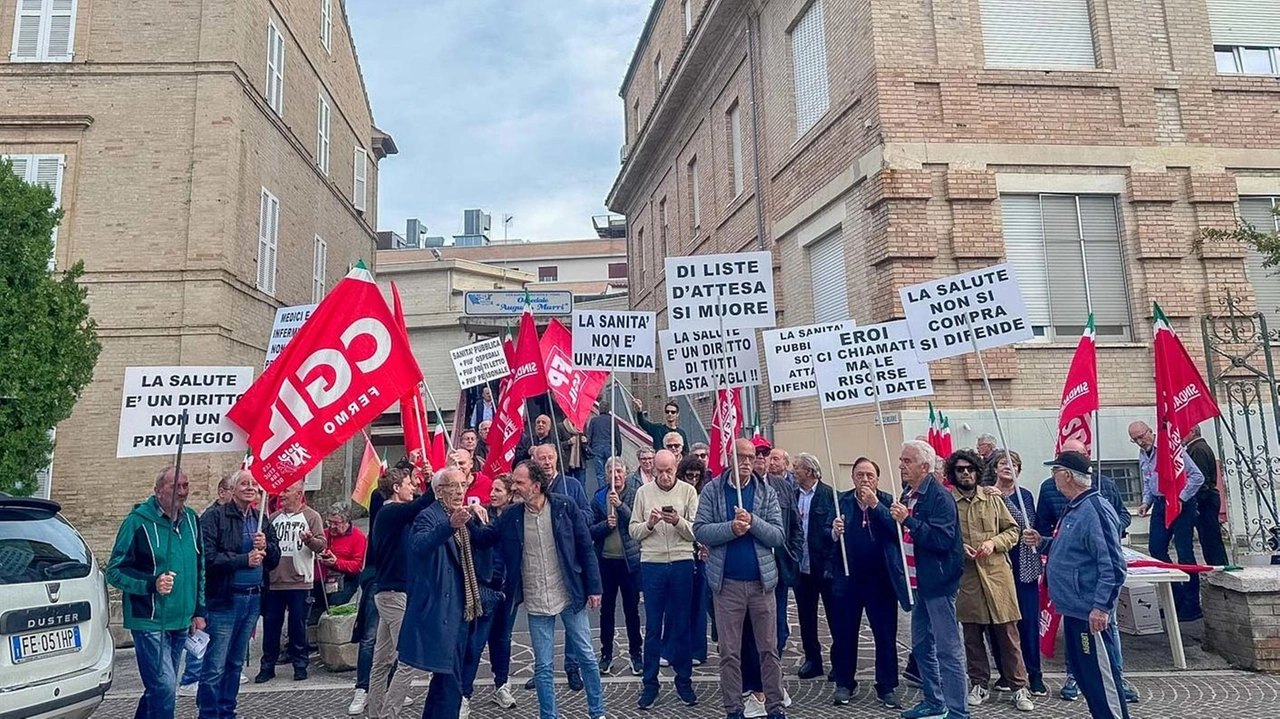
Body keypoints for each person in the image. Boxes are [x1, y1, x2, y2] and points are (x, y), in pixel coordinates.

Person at [473, 460, 607, 719]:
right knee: (543, 666)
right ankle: (549, 716)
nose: (514, 487)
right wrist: (465, 519)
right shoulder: (512, 515)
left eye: (519, 482)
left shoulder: (564, 507)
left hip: (569, 594)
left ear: (536, 486)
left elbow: (585, 548)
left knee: (587, 657)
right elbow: (485, 538)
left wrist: (594, 587)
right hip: (535, 598)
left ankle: (597, 712)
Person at [1022, 451, 1130, 719]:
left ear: (1067, 475)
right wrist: (1043, 542)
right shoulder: (1075, 508)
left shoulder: (1094, 509)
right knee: (1086, 677)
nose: (1053, 478)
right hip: (1072, 610)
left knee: (1101, 679)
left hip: (1088, 613)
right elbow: (1073, 549)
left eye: (1055, 471)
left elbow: (1113, 565)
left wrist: (1102, 607)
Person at [694, 438, 788, 719]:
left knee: (768, 649)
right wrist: (731, 529)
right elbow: (700, 530)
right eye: (741, 457)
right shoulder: (713, 490)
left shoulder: (765, 492)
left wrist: (753, 522)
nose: (746, 462)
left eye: (751, 457)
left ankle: (774, 705)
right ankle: (733, 707)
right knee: (729, 652)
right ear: (729, 458)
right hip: (727, 585)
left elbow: (777, 535)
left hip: (762, 584)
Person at [106, 465, 206, 719]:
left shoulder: (192, 520)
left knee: (158, 688)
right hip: (150, 620)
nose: (182, 491)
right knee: (164, 687)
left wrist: (198, 610)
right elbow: (115, 571)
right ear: (158, 490)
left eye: (185, 485)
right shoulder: (137, 523)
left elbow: (199, 567)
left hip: (181, 620)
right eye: (175, 486)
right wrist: (151, 583)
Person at [946, 449, 1033, 712]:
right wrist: (959, 547)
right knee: (972, 637)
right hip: (968, 578)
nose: (965, 473)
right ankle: (979, 683)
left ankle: (1020, 687)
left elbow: (1013, 530)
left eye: (969, 468)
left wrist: (993, 543)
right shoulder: (948, 502)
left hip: (997, 576)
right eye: (960, 469)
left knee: (1008, 635)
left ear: (977, 471)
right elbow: (944, 535)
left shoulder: (992, 498)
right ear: (954, 473)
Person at [399, 467, 487, 719]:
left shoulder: (461, 516)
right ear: (439, 491)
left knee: (447, 679)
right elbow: (418, 547)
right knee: (449, 680)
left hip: (462, 608)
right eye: (453, 486)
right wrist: (449, 526)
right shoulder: (430, 516)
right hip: (441, 609)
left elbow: (483, 544)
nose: (460, 491)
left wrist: (490, 520)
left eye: (463, 485)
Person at [891, 440, 968, 719]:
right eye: (901, 460)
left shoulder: (939, 497)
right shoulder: (909, 493)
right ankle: (934, 701)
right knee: (921, 647)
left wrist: (908, 521)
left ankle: (959, 711)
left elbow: (942, 540)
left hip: (938, 585)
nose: (901, 465)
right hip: (918, 585)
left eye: (907, 461)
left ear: (925, 466)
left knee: (948, 650)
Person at [199, 470, 280, 719]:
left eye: (254, 484)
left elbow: (274, 560)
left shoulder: (260, 519)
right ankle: (209, 714)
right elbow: (208, 558)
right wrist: (244, 559)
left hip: (252, 600)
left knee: (235, 664)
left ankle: (227, 712)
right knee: (215, 666)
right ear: (232, 489)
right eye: (244, 483)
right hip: (225, 601)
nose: (250, 487)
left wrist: (266, 546)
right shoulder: (215, 517)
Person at [829, 458, 909, 709]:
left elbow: (899, 533)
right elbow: (821, 534)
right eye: (860, 475)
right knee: (844, 633)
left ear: (878, 479)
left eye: (870, 476)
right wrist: (833, 532)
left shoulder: (888, 502)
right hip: (848, 578)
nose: (865, 480)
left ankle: (886, 686)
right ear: (852, 478)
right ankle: (844, 682)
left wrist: (876, 506)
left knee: (885, 635)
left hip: (881, 581)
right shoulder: (840, 501)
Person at [631, 449, 700, 709]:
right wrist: (649, 524)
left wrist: (678, 521)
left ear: (676, 466)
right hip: (652, 564)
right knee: (652, 627)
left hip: (682, 562)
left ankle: (684, 682)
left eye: (668, 470)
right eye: (658, 471)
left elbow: (696, 531)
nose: (663, 475)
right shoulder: (643, 493)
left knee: (681, 624)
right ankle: (650, 684)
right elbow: (633, 531)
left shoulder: (688, 492)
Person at [365, 467, 435, 719]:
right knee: (408, 658)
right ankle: (388, 714)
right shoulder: (390, 512)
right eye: (408, 484)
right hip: (393, 594)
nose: (412, 488)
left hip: (389, 592)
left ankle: (375, 713)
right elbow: (422, 503)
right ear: (396, 488)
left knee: (382, 661)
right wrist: (431, 479)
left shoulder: (390, 514)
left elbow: (420, 504)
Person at [1130, 420, 1205, 621]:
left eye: (1141, 436)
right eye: (1135, 439)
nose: (1139, 441)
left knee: (1184, 552)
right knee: (1156, 548)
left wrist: (1182, 497)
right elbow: (1147, 481)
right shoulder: (1143, 454)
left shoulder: (1170, 449)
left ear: (1150, 431)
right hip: (1160, 503)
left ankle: (1191, 604)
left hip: (1180, 502)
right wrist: (1146, 502)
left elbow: (1197, 477)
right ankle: (1175, 598)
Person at [983, 451, 1045, 697]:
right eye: (1002, 463)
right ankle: (1006, 673)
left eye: (1013, 464)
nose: (1008, 467)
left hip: (1023, 568)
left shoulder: (1024, 495)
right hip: (997, 566)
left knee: (1027, 623)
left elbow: (1025, 524)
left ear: (1019, 470)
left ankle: (1034, 674)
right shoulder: (985, 493)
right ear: (995, 468)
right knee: (998, 624)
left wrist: (1004, 500)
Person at [255, 482, 325, 684]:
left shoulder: (311, 517)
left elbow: (321, 546)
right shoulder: (274, 518)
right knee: (271, 626)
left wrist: (309, 540)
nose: (282, 494)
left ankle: (300, 665)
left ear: (299, 494)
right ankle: (267, 665)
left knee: (297, 626)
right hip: (275, 581)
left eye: (287, 490)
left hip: (300, 582)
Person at [179, 472, 237, 698]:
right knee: (201, 636)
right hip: (211, 590)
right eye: (233, 490)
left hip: (221, 591)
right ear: (223, 492)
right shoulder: (210, 516)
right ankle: (191, 677)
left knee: (209, 639)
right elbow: (206, 557)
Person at [467, 473, 519, 710]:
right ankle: (464, 693)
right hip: (486, 586)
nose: (492, 494)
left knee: (502, 640)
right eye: (492, 490)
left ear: (510, 494)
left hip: (507, 589)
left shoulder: (515, 517)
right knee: (476, 643)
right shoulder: (481, 515)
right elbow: (479, 540)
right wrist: (470, 517)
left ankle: (502, 685)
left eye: (498, 490)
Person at [590, 457, 643, 677]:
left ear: (626, 473)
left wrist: (619, 506)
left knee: (631, 610)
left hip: (629, 561)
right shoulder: (599, 497)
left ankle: (635, 653)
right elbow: (591, 530)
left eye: (619, 471)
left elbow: (636, 522)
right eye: (611, 471)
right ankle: (606, 654)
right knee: (607, 611)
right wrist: (605, 525)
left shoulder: (636, 492)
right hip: (606, 561)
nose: (616, 475)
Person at [791, 453, 836, 681]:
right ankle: (813, 660)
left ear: (809, 471)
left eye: (796, 467)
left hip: (824, 569)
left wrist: (830, 565)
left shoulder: (828, 495)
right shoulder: (793, 494)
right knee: (806, 617)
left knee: (834, 617)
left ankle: (838, 663)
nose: (793, 470)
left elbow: (832, 535)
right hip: (802, 568)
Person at [677, 454, 713, 666]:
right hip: (683, 550)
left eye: (696, 476)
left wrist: (704, 544)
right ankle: (679, 647)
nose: (692, 479)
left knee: (699, 604)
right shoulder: (679, 493)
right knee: (679, 605)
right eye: (689, 475)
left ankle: (698, 650)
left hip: (701, 554)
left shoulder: (704, 495)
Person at [1184, 425, 1229, 565]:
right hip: (1207, 497)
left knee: (1209, 537)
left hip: (1205, 499)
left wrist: (1196, 499)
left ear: (1192, 432)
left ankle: (1218, 566)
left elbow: (1200, 478)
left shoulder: (1197, 449)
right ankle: (1217, 565)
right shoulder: (1198, 448)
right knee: (1209, 536)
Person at [319, 501, 365, 608]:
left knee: (335, 603)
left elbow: (358, 566)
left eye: (336, 523)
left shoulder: (358, 537)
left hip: (346, 579)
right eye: (329, 522)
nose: (332, 527)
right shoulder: (324, 534)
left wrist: (336, 562)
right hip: (323, 577)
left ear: (346, 522)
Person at [585, 403, 622, 482]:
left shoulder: (594, 421)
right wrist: (619, 451)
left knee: (600, 475)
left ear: (599, 410)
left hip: (597, 448)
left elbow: (589, 436)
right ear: (609, 410)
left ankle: (603, 492)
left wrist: (588, 449)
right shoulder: (612, 420)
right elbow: (617, 437)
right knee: (611, 471)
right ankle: (611, 489)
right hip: (609, 448)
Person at [561, 416, 589, 483]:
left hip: (580, 461)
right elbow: (557, 443)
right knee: (568, 486)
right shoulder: (562, 426)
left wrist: (585, 440)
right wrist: (568, 442)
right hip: (567, 462)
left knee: (581, 485)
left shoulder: (582, 424)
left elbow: (588, 440)